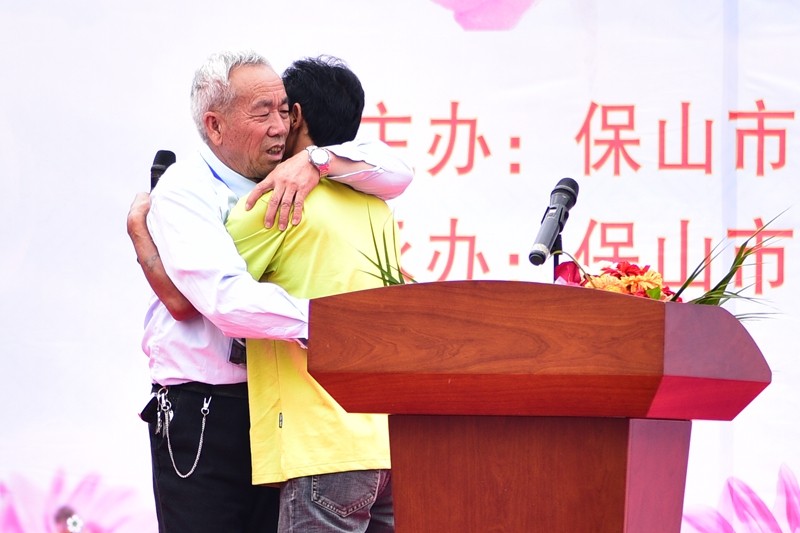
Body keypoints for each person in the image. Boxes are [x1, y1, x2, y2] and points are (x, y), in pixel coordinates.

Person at [127, 50, 412, 533]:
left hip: (284, 411)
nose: (280, 126)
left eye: (285, 110)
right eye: (264, 114)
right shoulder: (185, 190)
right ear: (214, 126)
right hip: (208, 410)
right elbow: (212, 301)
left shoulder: (308, 178)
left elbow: (398, 170)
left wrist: (317, 159)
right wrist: (340, 326)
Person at [225, 56, 399, 533]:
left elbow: (194, 290)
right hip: (387, 447)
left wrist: (143, 229)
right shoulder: (376, 206)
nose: (276, 124)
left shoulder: (275, 202)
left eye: (280, 110)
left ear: (296, 116)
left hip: (321, 447)